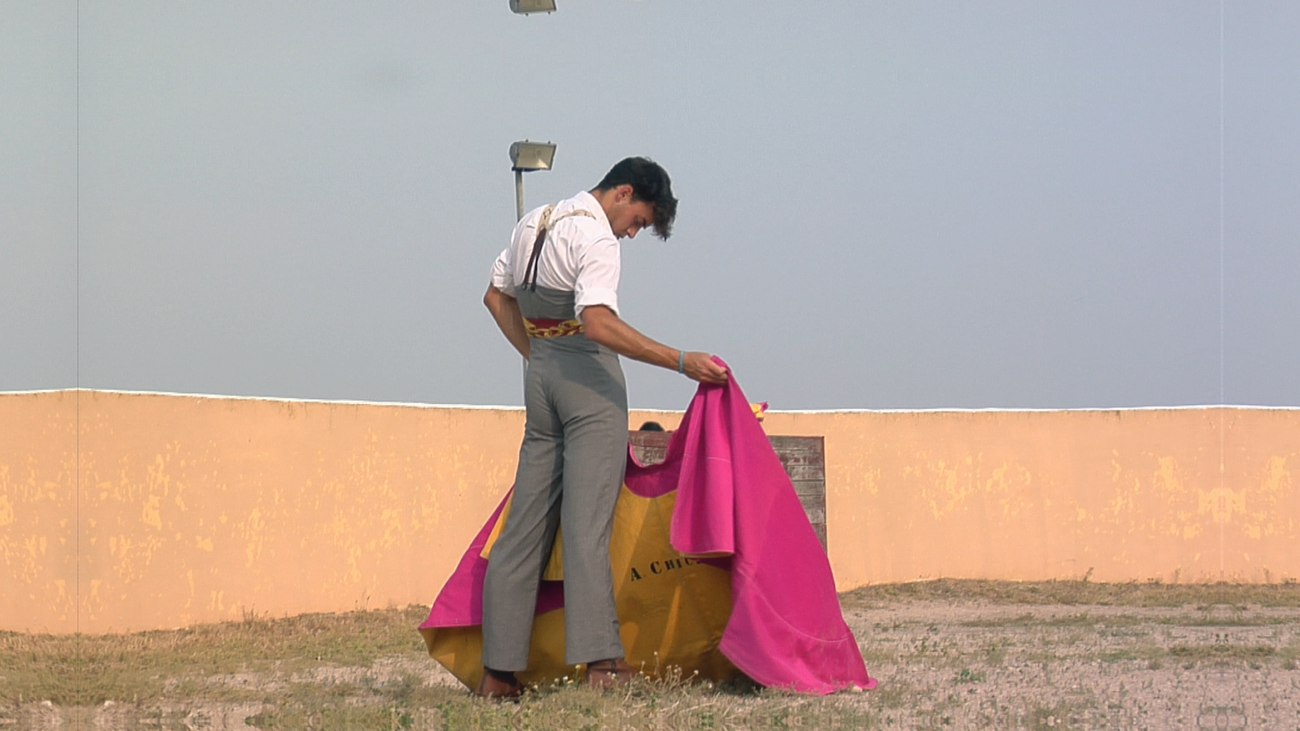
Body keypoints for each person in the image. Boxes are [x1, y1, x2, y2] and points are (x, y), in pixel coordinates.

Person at [479, 157, 729, 698]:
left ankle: (497, 674)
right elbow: (598, 324)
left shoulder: (534, 222)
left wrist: (538, 357)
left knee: (523, 530)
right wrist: (681, 360)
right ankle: (603, 665)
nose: (632, 233)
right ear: (622, 193)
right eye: (637, 221)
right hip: (589, 386)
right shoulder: (596, 238)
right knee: (587, 528)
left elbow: (495, 297)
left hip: (541, 381)